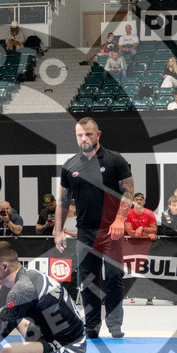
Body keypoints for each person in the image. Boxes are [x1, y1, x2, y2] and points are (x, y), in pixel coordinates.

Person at [54, 117, 133, 339]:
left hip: (112, 231)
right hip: (85, 233)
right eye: (80, 134)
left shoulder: (116, 160)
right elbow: (62, 200)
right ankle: (91, 327)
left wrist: (119, 220)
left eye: (88, 134)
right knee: (88, 281)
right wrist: (58, 230)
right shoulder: (70, 165)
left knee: (114, 277)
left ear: (98, 134)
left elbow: (128, 192)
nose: (84, 138)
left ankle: (115, 325)